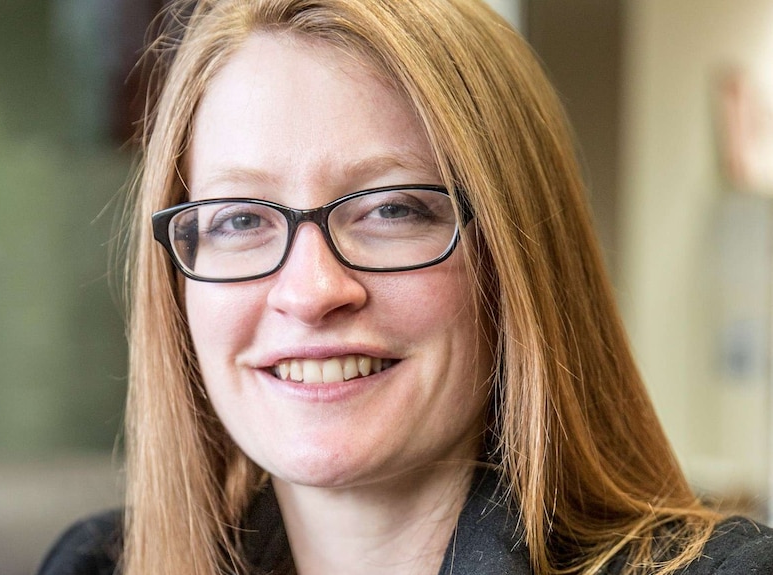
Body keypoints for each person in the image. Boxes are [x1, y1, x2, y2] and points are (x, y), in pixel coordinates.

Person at [39, 0, 773, 574]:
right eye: (239, 219)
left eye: (393, 209)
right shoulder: (96, 565)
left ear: (518, 257)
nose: (311, 289)